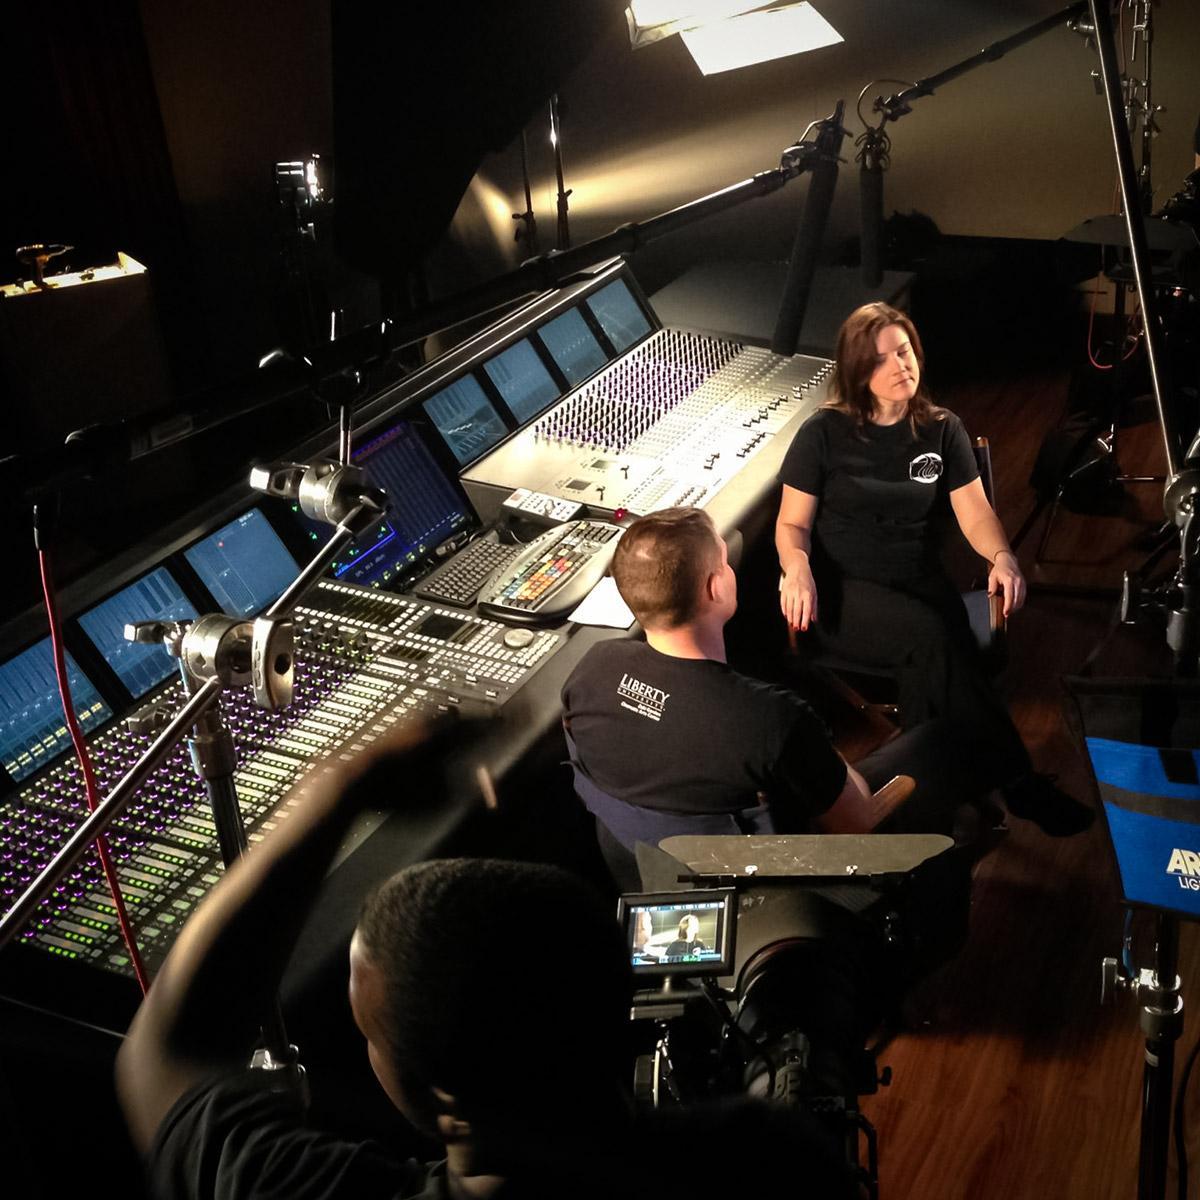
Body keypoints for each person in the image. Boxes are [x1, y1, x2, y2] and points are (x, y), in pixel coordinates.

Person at [115, 723, 855, 1199]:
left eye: (370, 1033)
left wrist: (338, 793)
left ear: (444, 1106)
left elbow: (165, 1050)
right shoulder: (769, 1159)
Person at [775, 301, 1093, 837]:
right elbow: (791, 525)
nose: (900, 366)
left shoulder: (943, 429)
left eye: (904, 351)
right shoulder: (822, 433)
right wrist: (798, 566)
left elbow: (974, 512)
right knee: (935, 639)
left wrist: (1002, 555)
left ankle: (925, 807)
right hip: (842, 593)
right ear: (857, 372)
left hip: (919, 587)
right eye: (881, 360)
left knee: (934, 655)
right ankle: (1018, 782)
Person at [562, 507, 969, 890]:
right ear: (715, 586)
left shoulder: (590, 671)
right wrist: (816, 744)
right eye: (723, 560)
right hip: (763, 886)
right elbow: (857, 822)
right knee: (944, 741)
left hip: (641, 872)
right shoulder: (772, 720)